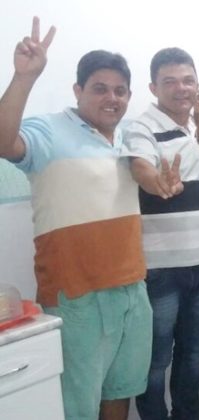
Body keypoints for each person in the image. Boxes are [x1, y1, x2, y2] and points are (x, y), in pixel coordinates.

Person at [0, 18, 152, 420]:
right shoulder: (49, 130)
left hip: (132, 289)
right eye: (100, 88)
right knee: (78, 405)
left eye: (120, 90)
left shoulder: (128, 138)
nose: (111, 98)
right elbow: (3, 141)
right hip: (77, 296)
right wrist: (24, 77)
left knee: (121, 390)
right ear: (78, 91)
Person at [121, 47, 199, 420]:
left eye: (188, 80)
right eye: (170, 81)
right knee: (156, 360)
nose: (181, 88)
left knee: (194, 354)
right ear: (153, 87)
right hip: (160, 271)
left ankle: (187, 414)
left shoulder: (191, 129)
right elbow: (140, 165)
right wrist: (157, 182)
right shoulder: (142, 127)